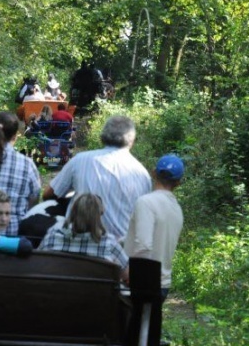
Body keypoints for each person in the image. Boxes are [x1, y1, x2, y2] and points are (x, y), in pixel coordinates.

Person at [43, 115, 151, 242]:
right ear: (131, 141)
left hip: (77, 243)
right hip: (118, 251)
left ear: (103, 136)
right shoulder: (142, 174)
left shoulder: (80, 160)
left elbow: (48, 194)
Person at [124, 154, 185, 296]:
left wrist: (130, 273)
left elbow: (144, 245)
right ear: (178, 183)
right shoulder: (177, 209)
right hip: (162, 282)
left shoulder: (146, 202)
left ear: (153, 173)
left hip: (141, 283)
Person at [39, 193, 129, 277]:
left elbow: (39, 261)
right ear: (99, 215)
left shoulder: (53, 236)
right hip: (97, 293)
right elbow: (127, 274)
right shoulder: (109, 243)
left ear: (73, 212)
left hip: (57, 292)